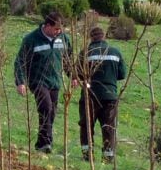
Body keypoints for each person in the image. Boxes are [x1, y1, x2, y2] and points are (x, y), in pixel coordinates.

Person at [14, 12, 71, 154]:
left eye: (60, 29)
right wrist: (20, 82)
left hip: (55, 81)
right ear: (47, 26)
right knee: (46, 107)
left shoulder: (63, 39)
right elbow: (20, 61)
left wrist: (74, 76)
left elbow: (69, 60)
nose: (58, 32)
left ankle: (41, 143)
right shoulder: (31, 39)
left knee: (51, 112)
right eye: (56, 29)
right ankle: (46, 142)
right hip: (38, 81)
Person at [78, 27, 126, 162]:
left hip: (90, 95)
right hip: (110, 95)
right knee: (108, 126)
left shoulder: (85, 53)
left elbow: (77, 73)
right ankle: (108, 157)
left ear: (91, 38)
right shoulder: (115, 52)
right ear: (104, 37)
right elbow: (122, 74)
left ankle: (87, 155)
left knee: (87, 125)